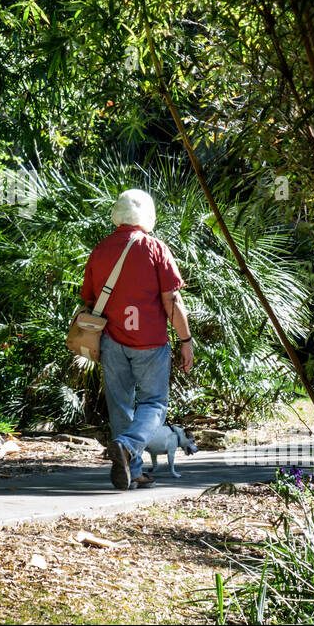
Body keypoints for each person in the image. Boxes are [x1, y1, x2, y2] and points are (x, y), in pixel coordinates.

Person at [79, 189, 193, 490]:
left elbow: (89, 299)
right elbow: (172, 300)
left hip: (112, 342)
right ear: (148, 215)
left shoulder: (100, 250)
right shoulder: (155, 248)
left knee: (120, 406)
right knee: (154, 403)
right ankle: (128, 446)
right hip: (150, 343)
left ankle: (132, 470)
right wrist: (186, 340)